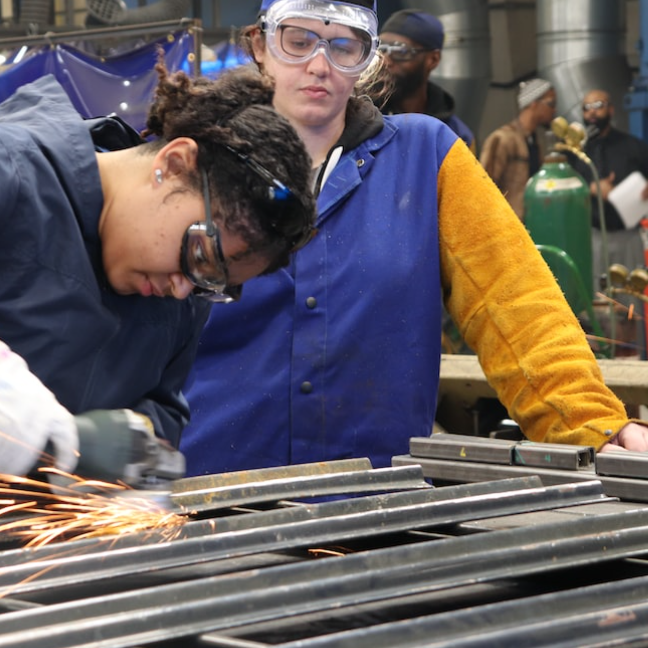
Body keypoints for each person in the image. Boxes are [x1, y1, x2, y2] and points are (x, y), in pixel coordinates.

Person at [180, 0, 648, 478]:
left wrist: (596, 427)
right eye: (297, 41)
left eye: (345, 46)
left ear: (368, 59)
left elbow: (519, 307)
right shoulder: (192, 160)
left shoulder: (428, 157)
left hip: (376, 507)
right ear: (259, 44)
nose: (319, 65)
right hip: (210, 501)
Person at [0, 61, 316, 476]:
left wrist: (140, 448)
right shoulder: (13, 177)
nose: (183, 289)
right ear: (173, 163)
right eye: (201, 256)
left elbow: (162, 408)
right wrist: (59, 440)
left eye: (211, 284)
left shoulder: (181, 292)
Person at [377, 8, 475, 151]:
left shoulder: (456, 136)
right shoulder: (362, 121)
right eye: (381, 48)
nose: (385, 61)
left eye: (401, 51)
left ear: (433, 59)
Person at [479, 77, 557, 220]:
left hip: (529, 226)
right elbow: (483, 188)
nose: (554, 110)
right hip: (507, 227)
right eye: (551, 104)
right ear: (534, 103)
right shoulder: (503, 138)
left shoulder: (533, 141)